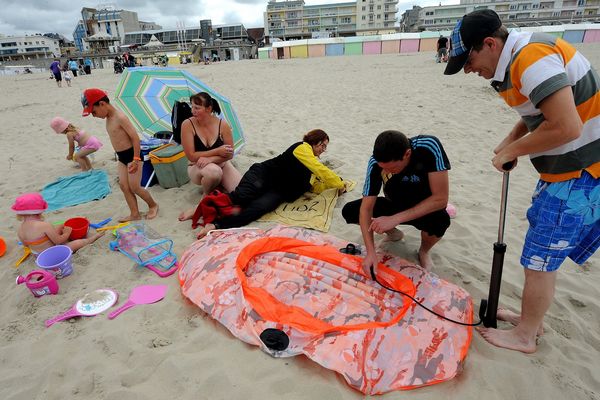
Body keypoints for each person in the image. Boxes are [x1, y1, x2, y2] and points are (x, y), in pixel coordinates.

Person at [444, 9, 599, 353]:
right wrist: (509, 142)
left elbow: (567, 126)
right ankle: (532, 319)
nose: (468, 71)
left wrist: (513, 149)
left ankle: (526, 335)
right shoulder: (516, 61)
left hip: (582, 170)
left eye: (467, 61)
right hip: (567, 168)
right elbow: (539, 114)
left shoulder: (531, 59)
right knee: (537, 251)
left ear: (488, 43)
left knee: (539, 258)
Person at [196, 129, 349, 238]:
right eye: (323, 145)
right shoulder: (303, 148)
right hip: (263, 175)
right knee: (241, 197)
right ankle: (203, 207)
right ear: (314, 141)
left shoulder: (313, 168)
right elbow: (321, 170)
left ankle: (215, 225)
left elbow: (317, 186)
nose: (324, 149)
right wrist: (339, 183)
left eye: (325, 147)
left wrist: (336, 188)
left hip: (278, 191)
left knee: (257, 210)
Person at [342, 131, 451, 272]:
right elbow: (366, 209)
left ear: (407, 154)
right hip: (395, 203)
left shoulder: (428, 147)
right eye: (383, 169)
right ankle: (394, 234)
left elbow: (441, 199)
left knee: (441, 220)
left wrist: (395, 219)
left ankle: (424, 251)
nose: (386, 173)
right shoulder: (376, 163)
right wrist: (371, 253)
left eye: (392, 168)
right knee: (351, 211)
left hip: (424, 208)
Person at [81, 88, 159, 221]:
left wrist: (135, 159)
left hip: (133, 156)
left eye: (93, 112)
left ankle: (153, 205)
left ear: (102, 104)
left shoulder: (120, 117)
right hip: (122, 158)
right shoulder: (108, 118)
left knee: (135, 187)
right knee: (124, 186)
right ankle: (134, 213)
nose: (94, 115)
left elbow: (135, 138)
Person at [178, 92, 242, 221]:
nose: (193, 111)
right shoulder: (187, 124)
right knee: (214, 172)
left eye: (197, 108)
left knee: (241, 193)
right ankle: (201, 204)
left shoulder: (222, 125)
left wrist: (211, 159)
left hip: (223, 163)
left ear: (209, 109)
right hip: (197, 167)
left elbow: (230, 154)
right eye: (192, 107)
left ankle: (217, 190)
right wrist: (217, 150)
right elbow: (191, 156)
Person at [12, 193, 104, 254]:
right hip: (52, 254)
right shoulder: (44, 225)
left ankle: (64, 231)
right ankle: (93, 238)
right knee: (78, 243)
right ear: (39, 212)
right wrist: (67, 233)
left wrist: (41, 242)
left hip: (38, 255)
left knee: (59, 226)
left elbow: (26, 245)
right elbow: (58, 241)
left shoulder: (20, 229)